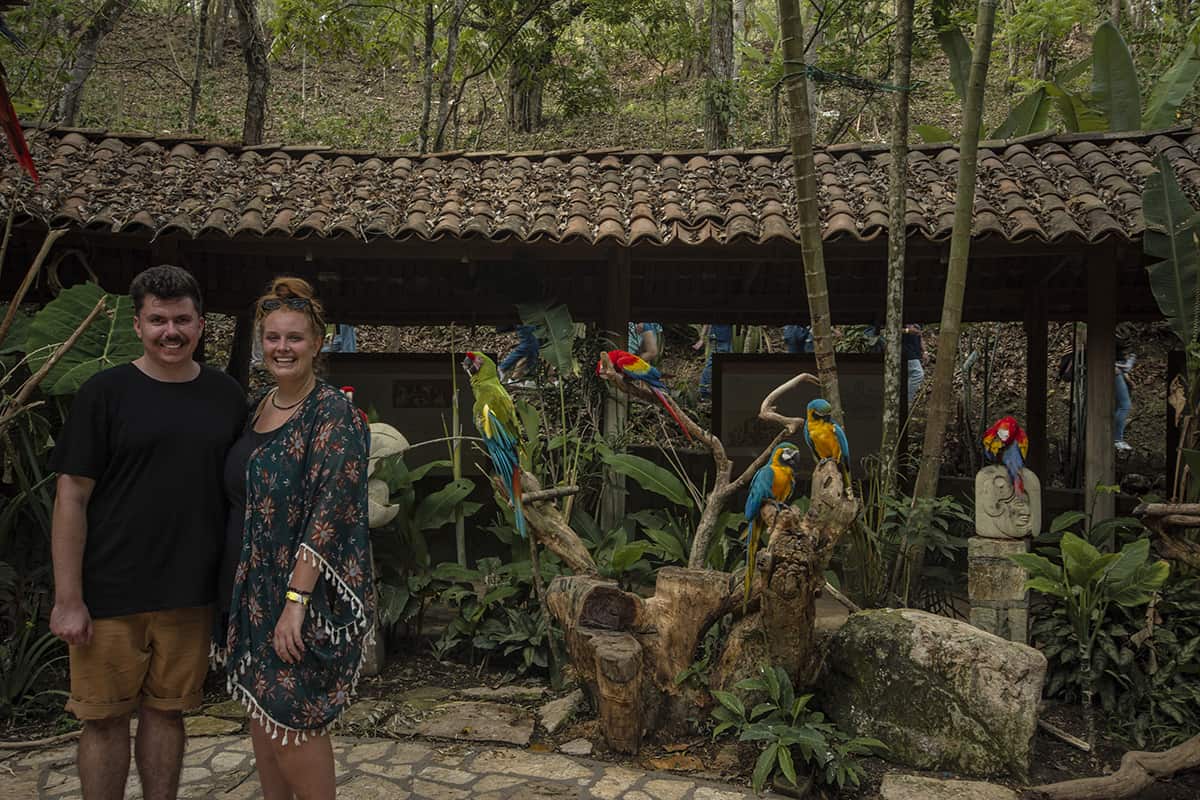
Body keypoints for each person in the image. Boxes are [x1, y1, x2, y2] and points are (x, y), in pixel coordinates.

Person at [49, 265, 246, 800]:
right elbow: (72, 496)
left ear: (202, 325)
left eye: (182, 319)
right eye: (158, 320)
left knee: (168, 714)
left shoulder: (227, 397)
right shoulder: (104, 393)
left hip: (190, 592)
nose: (171, 332)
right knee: (104, 720)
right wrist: (68, 598)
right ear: (137, 325)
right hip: (110, 591)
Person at [223, 277, 374, 799]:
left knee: (296, 720)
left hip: (296, 596)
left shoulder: (331, 414)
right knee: (265, 721)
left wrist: (296, 601)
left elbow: (329, 513)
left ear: (318, 343)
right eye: (272, 338)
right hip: (252, 590)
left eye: (294, 338)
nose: (281, 349)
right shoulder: (258, 405)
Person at [694, 323, 733, 401]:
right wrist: (701, 339)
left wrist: (702, 338)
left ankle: (705, 389)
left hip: (722, 337)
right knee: (712, 364)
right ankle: (704, 390)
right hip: (721, 338)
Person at [1115, 337, 1135, 452]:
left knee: (1119, 406)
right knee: (1125, 406)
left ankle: (1116, 437)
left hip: (1119, 371)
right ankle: (1117, 439)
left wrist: (1128, 379)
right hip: (1115, 372)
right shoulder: (1112, 339)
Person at [902, 323, 924, 407]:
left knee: (908, 378)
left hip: (915, 353)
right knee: (918, 374)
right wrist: (908, 330)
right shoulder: (901, 315)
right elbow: (888, 330)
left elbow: (920, 336)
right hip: (907, 352)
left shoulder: (918, 321)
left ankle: (906, 402)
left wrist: (924, 351)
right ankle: (907, 400)